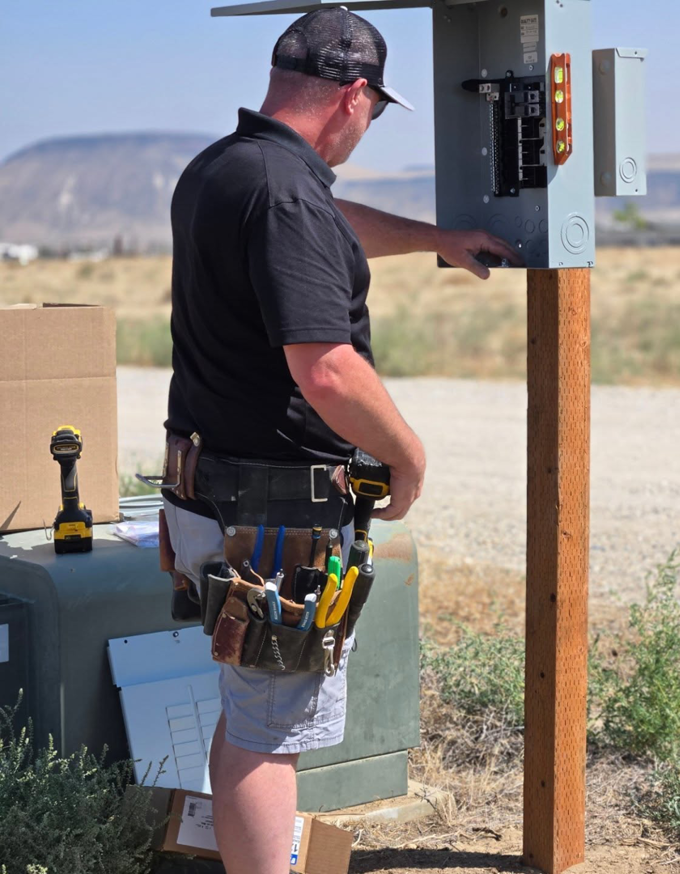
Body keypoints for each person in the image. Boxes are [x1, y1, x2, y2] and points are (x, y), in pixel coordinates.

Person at [161, 8, 521, 873]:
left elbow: (329, 224)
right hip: (275, 516)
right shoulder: (285, 193)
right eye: (373, 112)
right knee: (267, 732)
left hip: (211, 489)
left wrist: (434, 240)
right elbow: (324, 369)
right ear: (355, 96)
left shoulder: (227, 169)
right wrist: (408, 453)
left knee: (250, 707)